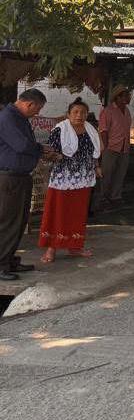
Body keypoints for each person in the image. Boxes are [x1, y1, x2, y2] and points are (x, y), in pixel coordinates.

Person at [39, 98, 101, 263]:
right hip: (63, 179)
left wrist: (96, 167)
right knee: (58, 212)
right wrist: (57, 156)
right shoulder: (59, 130)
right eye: (75, 112)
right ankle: (51, 248)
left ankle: (75, 246)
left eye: (83, 112)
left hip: (83, 179)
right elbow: (49, 152)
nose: (79, 115)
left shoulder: (90, 130)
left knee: (77, 213)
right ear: (68, 114)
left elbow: (94, 152)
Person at [0, 89, 47, 280]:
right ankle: (1, 264)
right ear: (29, 104)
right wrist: (41, 149)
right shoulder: (8, 117)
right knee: (9, 222)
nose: (37, 113)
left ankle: (9, 259)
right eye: (37, 109)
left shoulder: (19, 117)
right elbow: (21, 145)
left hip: (20, 176)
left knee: (19, 222)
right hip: (10, 177)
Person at [93, 85, 132, 212]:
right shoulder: (108, 111)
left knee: (120, 173)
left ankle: (115, 196)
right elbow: (103, 131)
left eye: (128, 95)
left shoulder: (127, 111)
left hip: (124, 148)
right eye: (125, 96)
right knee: (106, 174)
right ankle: (103, 197)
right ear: (117, 97)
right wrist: (104, 148)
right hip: (111, 147)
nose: (128, 98)